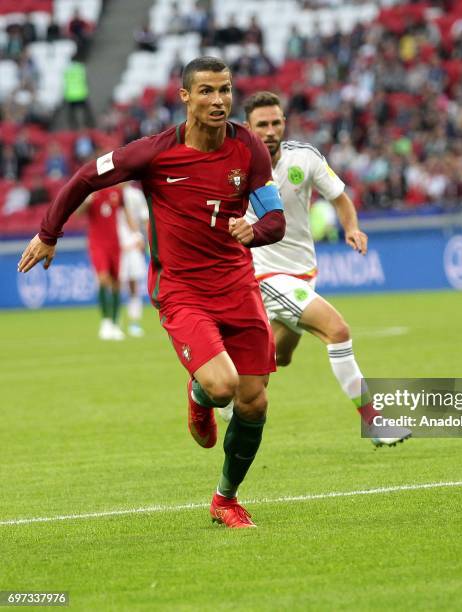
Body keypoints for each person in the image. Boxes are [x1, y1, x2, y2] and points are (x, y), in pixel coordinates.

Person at [17, 57, 286, 528]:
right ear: (185, 97)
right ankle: (200, 395)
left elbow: (275, 220)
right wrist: (49, 232)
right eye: (206, 91)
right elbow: (85, 176)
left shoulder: (250, 150)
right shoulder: (154, 153)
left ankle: (225, 498)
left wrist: (255, 231)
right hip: (182, 289)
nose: (218, 100)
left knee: (254, 401)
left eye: (224, 90)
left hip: (238, 285)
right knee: (222, 387)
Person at [243, 91, 410, 447]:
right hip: (265, 275)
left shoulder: (304, 157)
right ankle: (375, 422)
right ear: (248, 128)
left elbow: (339, 198)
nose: (270, 131)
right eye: (262, 125)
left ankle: (215, 388)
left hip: (304, 273)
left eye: (276, 123)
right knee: (337, 330)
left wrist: (351, 227)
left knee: (278, 358)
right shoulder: (235, 169)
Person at [79, 186, 126, 341]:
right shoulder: (91, 190)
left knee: (116, 283)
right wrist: (87, 201)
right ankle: (105, 321)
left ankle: (115, 322)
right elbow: (78, 213)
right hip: (97, 243)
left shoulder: (117, 191)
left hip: (115, 243)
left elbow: (125, 211)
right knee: (103, 278)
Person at [118, 182, 149, 337]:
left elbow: (145, 219)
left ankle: (134, 322)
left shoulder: (135, 195)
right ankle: (114, 322)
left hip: (133, 245)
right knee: (115, 284)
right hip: (116, 246)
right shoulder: (110, 195)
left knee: (134, 285)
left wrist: (141, 238)